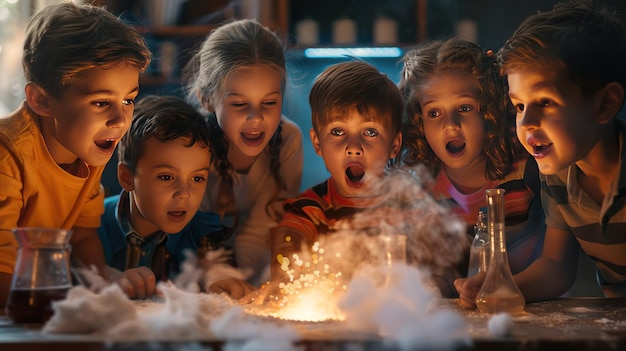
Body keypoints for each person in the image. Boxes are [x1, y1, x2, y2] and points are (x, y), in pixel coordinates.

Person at [455, 0, 626, 307]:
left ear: (605, 104)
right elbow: (556, 268)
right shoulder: (560, 175)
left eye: (545, 102)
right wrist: (498, 287)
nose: (527, 121)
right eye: (519, 106)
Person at [0, 2, 150, 307]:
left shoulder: (87, 149)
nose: (120, 121)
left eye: (128, 100)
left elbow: (82, 236)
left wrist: (105, 283)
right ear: (41, 100)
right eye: (100, 103)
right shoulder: (8, 158)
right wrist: (76, 299)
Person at [399, 38, 545, 279]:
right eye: (434, 112)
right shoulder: (421, 190)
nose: (450, 125)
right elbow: (432, 271)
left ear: (491, 110)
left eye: (465, 108)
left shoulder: (528, 171)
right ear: (418, 122)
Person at [182, 19, 303, 286]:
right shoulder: (189, 147)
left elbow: (264, 225)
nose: (256, 118)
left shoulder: (288, 141)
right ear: (207, 98)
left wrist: (245, 279)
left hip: (253, 269)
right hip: (188, 268)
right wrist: (218, 274)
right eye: (239, 104)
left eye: (269, 102)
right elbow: (188, 230)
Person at [97, 95, 255, 300]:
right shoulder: (92, 225)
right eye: (166, 177)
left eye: (197, 178)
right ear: (127, 178)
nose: (184, 193)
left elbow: (213, 263)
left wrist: (218, 280)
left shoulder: (201, 229)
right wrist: (108, 282)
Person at [269, 61, 403, 282]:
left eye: (370, 132)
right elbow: (288, 241)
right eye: (338, 131)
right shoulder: (309, 210)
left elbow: (437, 265)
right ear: (317, 143)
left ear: (394, 145)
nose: (353, 147)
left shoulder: (412, 205)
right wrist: (285, 274)